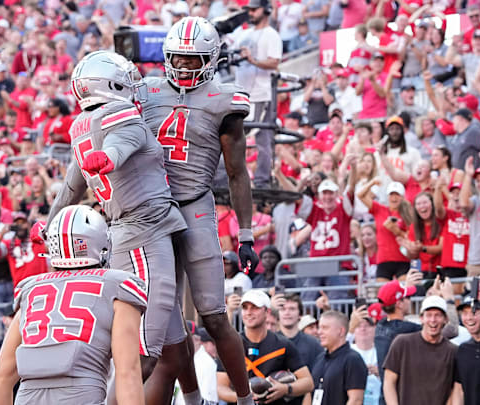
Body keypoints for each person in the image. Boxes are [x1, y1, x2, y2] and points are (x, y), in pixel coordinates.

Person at [45, 51, 188, 404]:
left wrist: (49, 227)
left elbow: (68, 191)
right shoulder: (119, 114)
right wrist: (108, 158)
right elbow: (120, 146)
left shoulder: (81, 126)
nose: (135, 86)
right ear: (110, 85)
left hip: (131, 233)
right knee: (142, 353)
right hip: (143, 236)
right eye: (128, 80)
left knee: (175, 350)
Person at [141, 16, 259, 405]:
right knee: (169, 326)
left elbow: (237, 173)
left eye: (194, 60)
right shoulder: (145, 91)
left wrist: (246, 234)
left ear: (211, 59)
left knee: (212, 314)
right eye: (179, 58)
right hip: (154, 215)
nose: (186, 66)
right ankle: (192, 400)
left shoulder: (225, 100)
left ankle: (243, 399)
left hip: (195, 209)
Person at [0, 205, 146, 405]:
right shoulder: (117, 286)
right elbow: (128, 373)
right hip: (81, 396)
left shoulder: (31, 290)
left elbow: (0, 380)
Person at [218, 290, 314, 405]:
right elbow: (220, 387)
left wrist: (285, 389)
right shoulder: (230, 346)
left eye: (255, 308)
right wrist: (244, 398)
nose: (249, 312)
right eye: (245, 308)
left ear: (267, 312)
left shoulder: (283, 344)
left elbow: (308, 382)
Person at [234, 0, 282, 187]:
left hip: (261, 93)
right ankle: (231, 177)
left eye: (255, 9)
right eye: (250, 10)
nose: (251, 13)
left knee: (263, 138)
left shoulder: (272, 35)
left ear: (267, 10)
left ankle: (262, 180)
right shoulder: (244, 33)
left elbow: (274, 62)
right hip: (241, 93)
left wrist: (252, 60)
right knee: (233, 138)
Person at [382, 295, 457, 405]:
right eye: (429, 315)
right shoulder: (402, 343)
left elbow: (454, 390)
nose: (433, 320)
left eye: (438, 315)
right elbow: (389, 382)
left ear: (445, 319)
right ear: (421, 318)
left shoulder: (453, 351)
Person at [311, 310, 367, 405]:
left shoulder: (353, 359)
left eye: (325, 328)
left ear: (341, 331)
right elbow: (309, 394)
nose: (319, 332)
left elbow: (356, 400)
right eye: (319, 327)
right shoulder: (319, 359)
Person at [274, 294, 324, 370]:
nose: (287, 313)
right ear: (278, 314)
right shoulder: (271, 342)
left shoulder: (314, 344)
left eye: (292, 309)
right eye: (283, 309)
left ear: (300, 315)